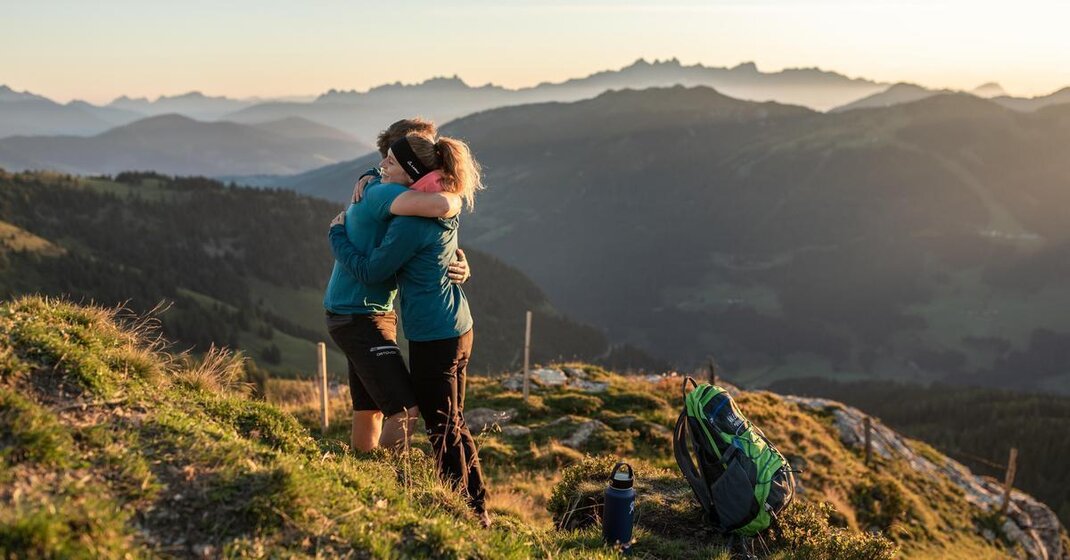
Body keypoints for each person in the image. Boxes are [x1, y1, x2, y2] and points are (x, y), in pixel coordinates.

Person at [328, 132, 489, 525]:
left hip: (433, 334)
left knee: (439, 426)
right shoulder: (443, 204)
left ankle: (461, 511)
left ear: (413, 172)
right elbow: (442, 220)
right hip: (460, 326)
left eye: (391, 162)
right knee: (453, 420)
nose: (382, 165)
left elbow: (371, 271)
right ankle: (478, 505)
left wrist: (336, 234)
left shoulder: (411, 222)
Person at [323, 118, 470, 454]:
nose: (433, 155)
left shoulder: (380, 185)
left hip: (366, 310)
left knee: (370, 406)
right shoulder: (387, 191)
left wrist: (460, 262)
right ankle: (386, 479)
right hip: (357, 314)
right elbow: (442, 206)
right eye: (424, 149)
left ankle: (360, 468)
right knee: (404, 411)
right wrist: (456, 198)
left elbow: (431, 243)